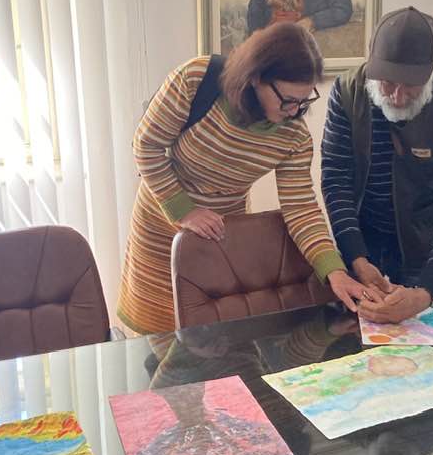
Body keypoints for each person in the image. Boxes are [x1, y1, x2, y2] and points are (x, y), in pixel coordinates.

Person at [117, 22, 366, 334]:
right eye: (288, 100)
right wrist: (185, 212)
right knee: (158, 336)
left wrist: (334, 271)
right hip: (159, 225)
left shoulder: (294, 136)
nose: (294, 111)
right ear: (256, 78)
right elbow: (146, 145)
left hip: (220, 236)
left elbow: (301, 209)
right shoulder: (197, 80)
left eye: (304, 101)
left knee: (213, 338)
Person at [320, 6, 433, 324]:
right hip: (359, 240)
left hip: (424, 249)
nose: (396, 96)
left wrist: (427, 290)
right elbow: (336, 179)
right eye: (387, 83)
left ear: (431, 70)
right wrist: (356, 258)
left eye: (411, 86)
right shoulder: (346, 93)